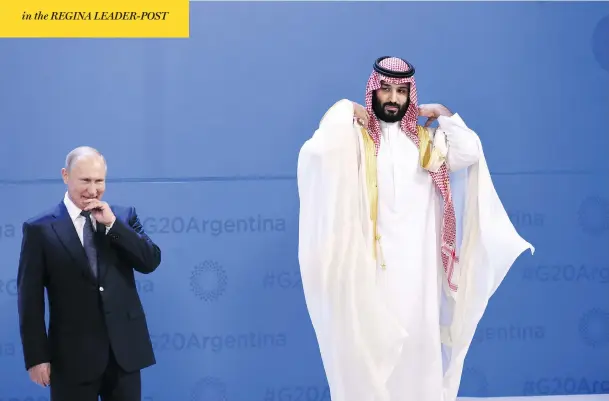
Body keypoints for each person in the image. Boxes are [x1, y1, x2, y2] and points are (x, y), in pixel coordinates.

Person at [296, 56, 535, 401]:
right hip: (372, 268)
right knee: (371, 350)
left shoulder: (427, 143)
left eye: (401, 91)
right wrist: (343, 107)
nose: (393, 98)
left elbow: (469, 152)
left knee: (416, 349)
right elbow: (316, 153)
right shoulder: (356, 141)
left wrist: (445, 114)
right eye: (386, 90)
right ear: (373, 92)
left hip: (419, 270)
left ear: (410, 96)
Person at [17, 146, 162, 401]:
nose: (93, 190)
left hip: (124, 355)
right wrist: (37, 358)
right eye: (85, 180)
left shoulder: (123, 218)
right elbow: (29, 300)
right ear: (65, 175)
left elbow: (149, 261)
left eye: (99, 181)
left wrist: (113, 225)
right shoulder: (39, 229)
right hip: (71, 359)